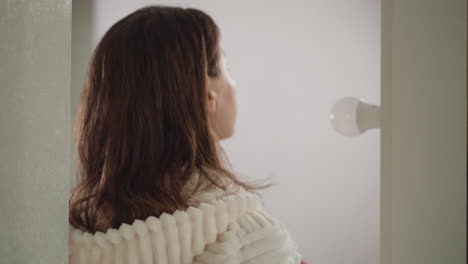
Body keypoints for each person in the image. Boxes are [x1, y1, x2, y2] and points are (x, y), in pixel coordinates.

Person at [69, 5, 305, 264]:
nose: (234, 84)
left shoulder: (70, 235)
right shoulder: (249, 239)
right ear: (206, 96)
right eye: (227, 68)